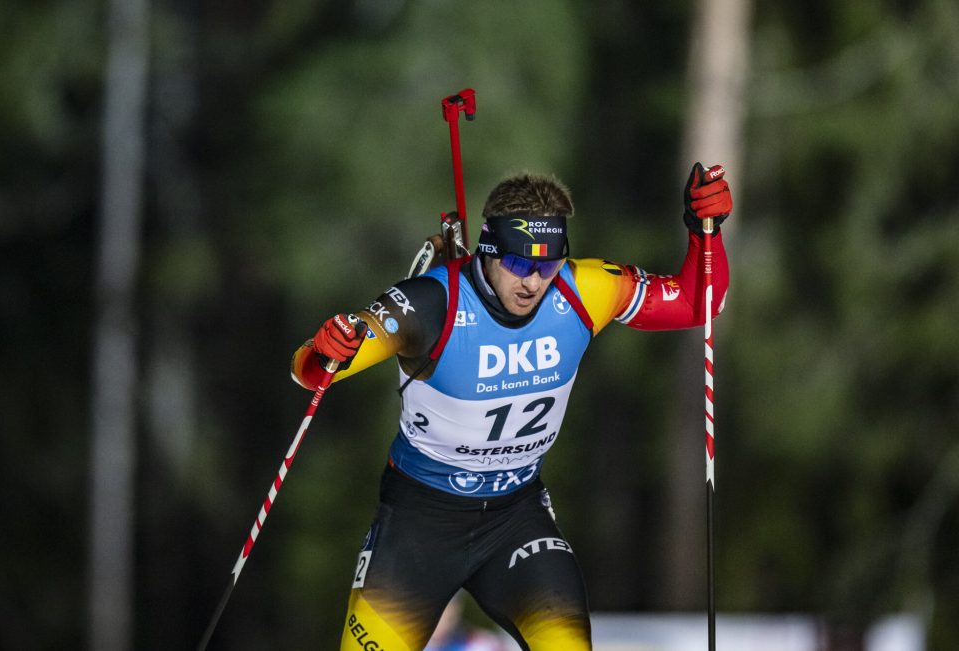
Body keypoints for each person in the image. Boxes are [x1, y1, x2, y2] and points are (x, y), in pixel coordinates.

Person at [291, 164, 732, 651]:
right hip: (421, 521)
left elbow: (698, 301)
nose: (533, 282)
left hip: (514, 516)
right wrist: (327, 348)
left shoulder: (585, 288)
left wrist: (704, 233)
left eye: (547, 265)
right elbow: (315, 371)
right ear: (489, 249)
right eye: (520, 264)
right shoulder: (432, 301)